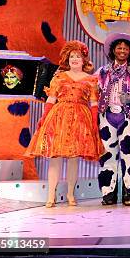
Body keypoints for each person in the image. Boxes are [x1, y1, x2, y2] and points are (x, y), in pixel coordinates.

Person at [25, 41, 103, 207]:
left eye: (78, 56)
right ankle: (51, 196)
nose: (75, 59)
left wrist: (95, 122)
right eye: (72, 56)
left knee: (74, 157)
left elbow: (94, 103)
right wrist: (44, 117)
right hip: (59, 117)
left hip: (80, 118)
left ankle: (70, 194)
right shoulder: (59, 77)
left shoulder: (91, 80)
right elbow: (51, 99)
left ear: (84, 60)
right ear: (68, 59)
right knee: (55, 156)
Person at [97, 33, 130, 206]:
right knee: (107, 155)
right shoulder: (102, 72)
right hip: (106, 117)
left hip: (126, 117)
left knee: (128, 154)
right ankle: (108, 193)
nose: (122, 51)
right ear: (113, 50)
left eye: (125, 48)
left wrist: (128, 98)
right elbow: (92, 91)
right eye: (119, 48)